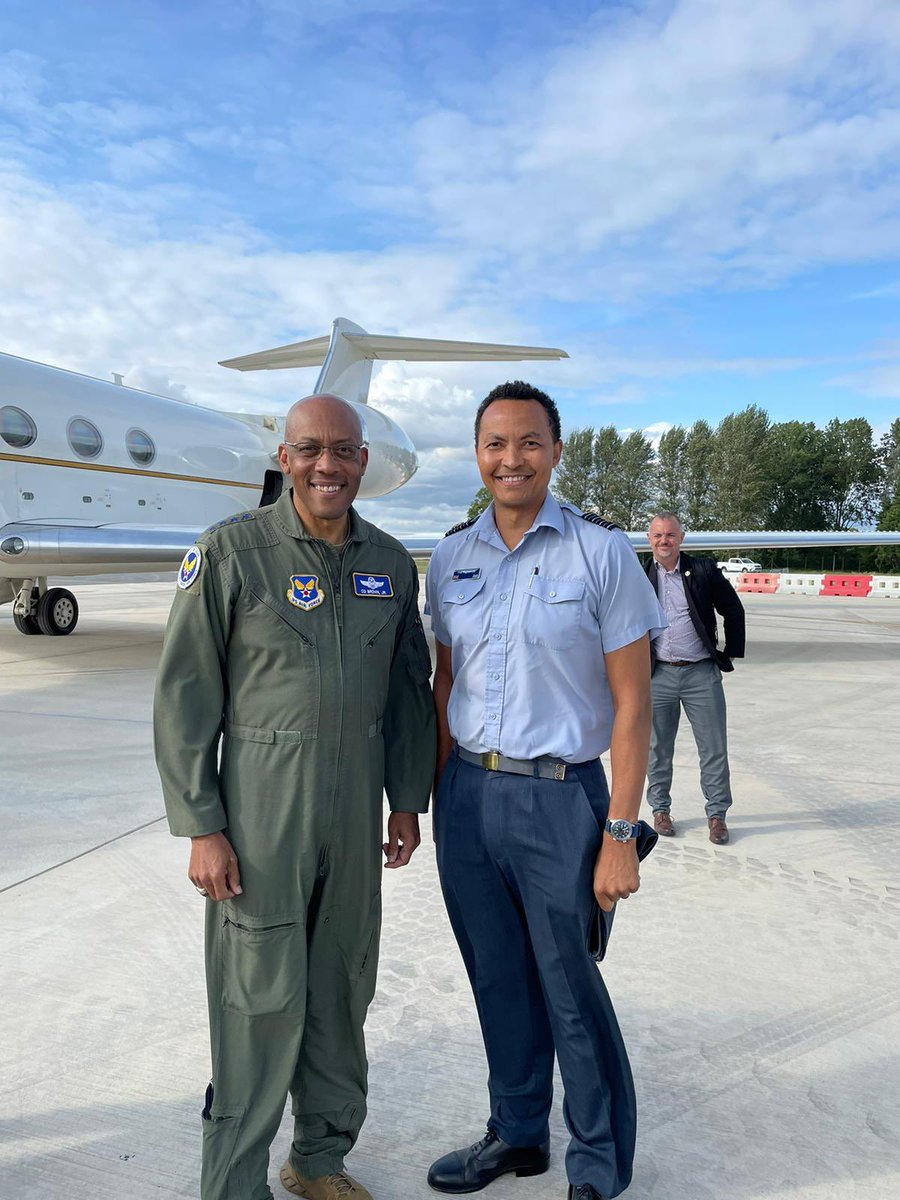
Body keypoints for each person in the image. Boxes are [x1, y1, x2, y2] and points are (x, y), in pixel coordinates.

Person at [153, 394, 435, 1200]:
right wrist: (202, 825)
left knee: (343, 986)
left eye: (344, 451)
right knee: (257, 1000)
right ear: (285, 457)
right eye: (310, 449)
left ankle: (318, 1159)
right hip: (262, 813)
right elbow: (184, 698)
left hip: (355, 816)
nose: (327, 465)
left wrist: (407, 801)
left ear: (363, 463)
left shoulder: (387, 561)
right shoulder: (232, 553)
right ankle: (235, 1183)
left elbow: (410, 693)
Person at [424, 381, 666, 1200]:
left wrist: (622, 832)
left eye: (529, 442)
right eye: (495, 443)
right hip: (466, 795)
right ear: (478, 453)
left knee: (570, 992)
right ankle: (519, 1135)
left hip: (562, 800)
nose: (510, 458)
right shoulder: (452, 557)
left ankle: (595, 1163)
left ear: (557, 453)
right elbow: (444, 680)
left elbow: (634, 705)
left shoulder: (601, 553)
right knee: (497, 979)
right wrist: (429, 799)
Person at [644, 512, 745, 844]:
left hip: (701, 673)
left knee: (713, 747)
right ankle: (660, 809)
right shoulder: (639, 574)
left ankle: (717, 815)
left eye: (670, 535)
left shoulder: (702, 570)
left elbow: (733, 608)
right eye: (658, 535)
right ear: (649, 539)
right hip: (658, 673)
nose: (664, 541)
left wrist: (730, 651)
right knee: (658, 747)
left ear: (681, 538)